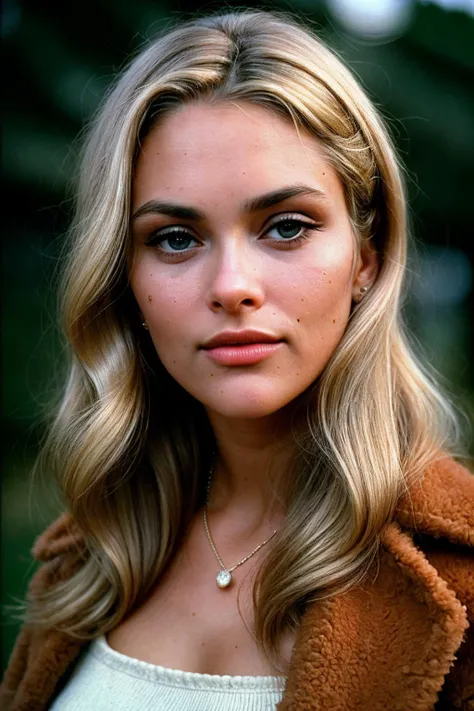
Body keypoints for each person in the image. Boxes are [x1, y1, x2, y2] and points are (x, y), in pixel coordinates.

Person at [1, 9, 473, 711]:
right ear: (122, 275)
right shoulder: (88, 556)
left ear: (367, 257)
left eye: (286, 227)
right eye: (175, 238)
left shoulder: (458, 575)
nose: (231, 287)